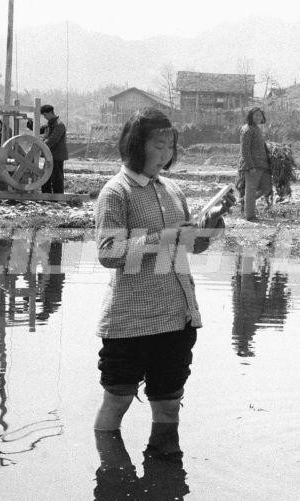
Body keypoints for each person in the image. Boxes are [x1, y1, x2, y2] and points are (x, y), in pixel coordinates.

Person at [93, 108, 234, 460]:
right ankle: (112, 486)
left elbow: (192, 244)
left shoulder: (172, 190)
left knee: (168, 409)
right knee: (117, 403)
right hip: (130, 323)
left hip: (176, 318)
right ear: (137, 146)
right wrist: (166, 236)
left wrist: (211, 225)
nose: (166, 154)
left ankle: (165, 487)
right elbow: (109, 252)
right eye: (159, 146)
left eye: (170, 147)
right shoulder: (116, 193)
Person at [238, 107, 272, 221]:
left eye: (260, 115)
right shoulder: (247, 129)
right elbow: (245, 150)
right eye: (256, 115)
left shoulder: (256, 128)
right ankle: (250, 215)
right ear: (250, 116)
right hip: (252, 165)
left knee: (267, 187)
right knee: (251, 189)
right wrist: (250, 165)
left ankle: (246, 200)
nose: (258, 117)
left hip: (262, 164)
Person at [38, 104, 68, 194]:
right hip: (49, 155)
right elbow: (39, 129)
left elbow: (52, 140)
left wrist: (39, 146)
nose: (45, 117)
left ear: (50, 113)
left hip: (57, 155)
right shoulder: (49, 124)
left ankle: (57, 197)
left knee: (57, 179)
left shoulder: (59, 125)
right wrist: (31, 123)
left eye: (45, 115)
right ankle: (46, 196)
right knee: (45, 177)